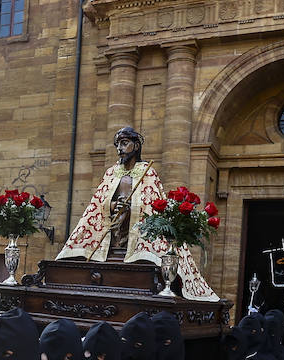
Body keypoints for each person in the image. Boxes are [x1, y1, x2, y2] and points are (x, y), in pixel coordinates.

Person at [57, 126, 218, 300]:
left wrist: (130, 207)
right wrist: (113, 206)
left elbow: (150, 205)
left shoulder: (147, 172)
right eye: (117, 145)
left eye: (124, 143)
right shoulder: (111, 172)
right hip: (112, 232)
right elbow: (97, 203)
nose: (119, 149)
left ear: (136, 146)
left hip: (135, 233)